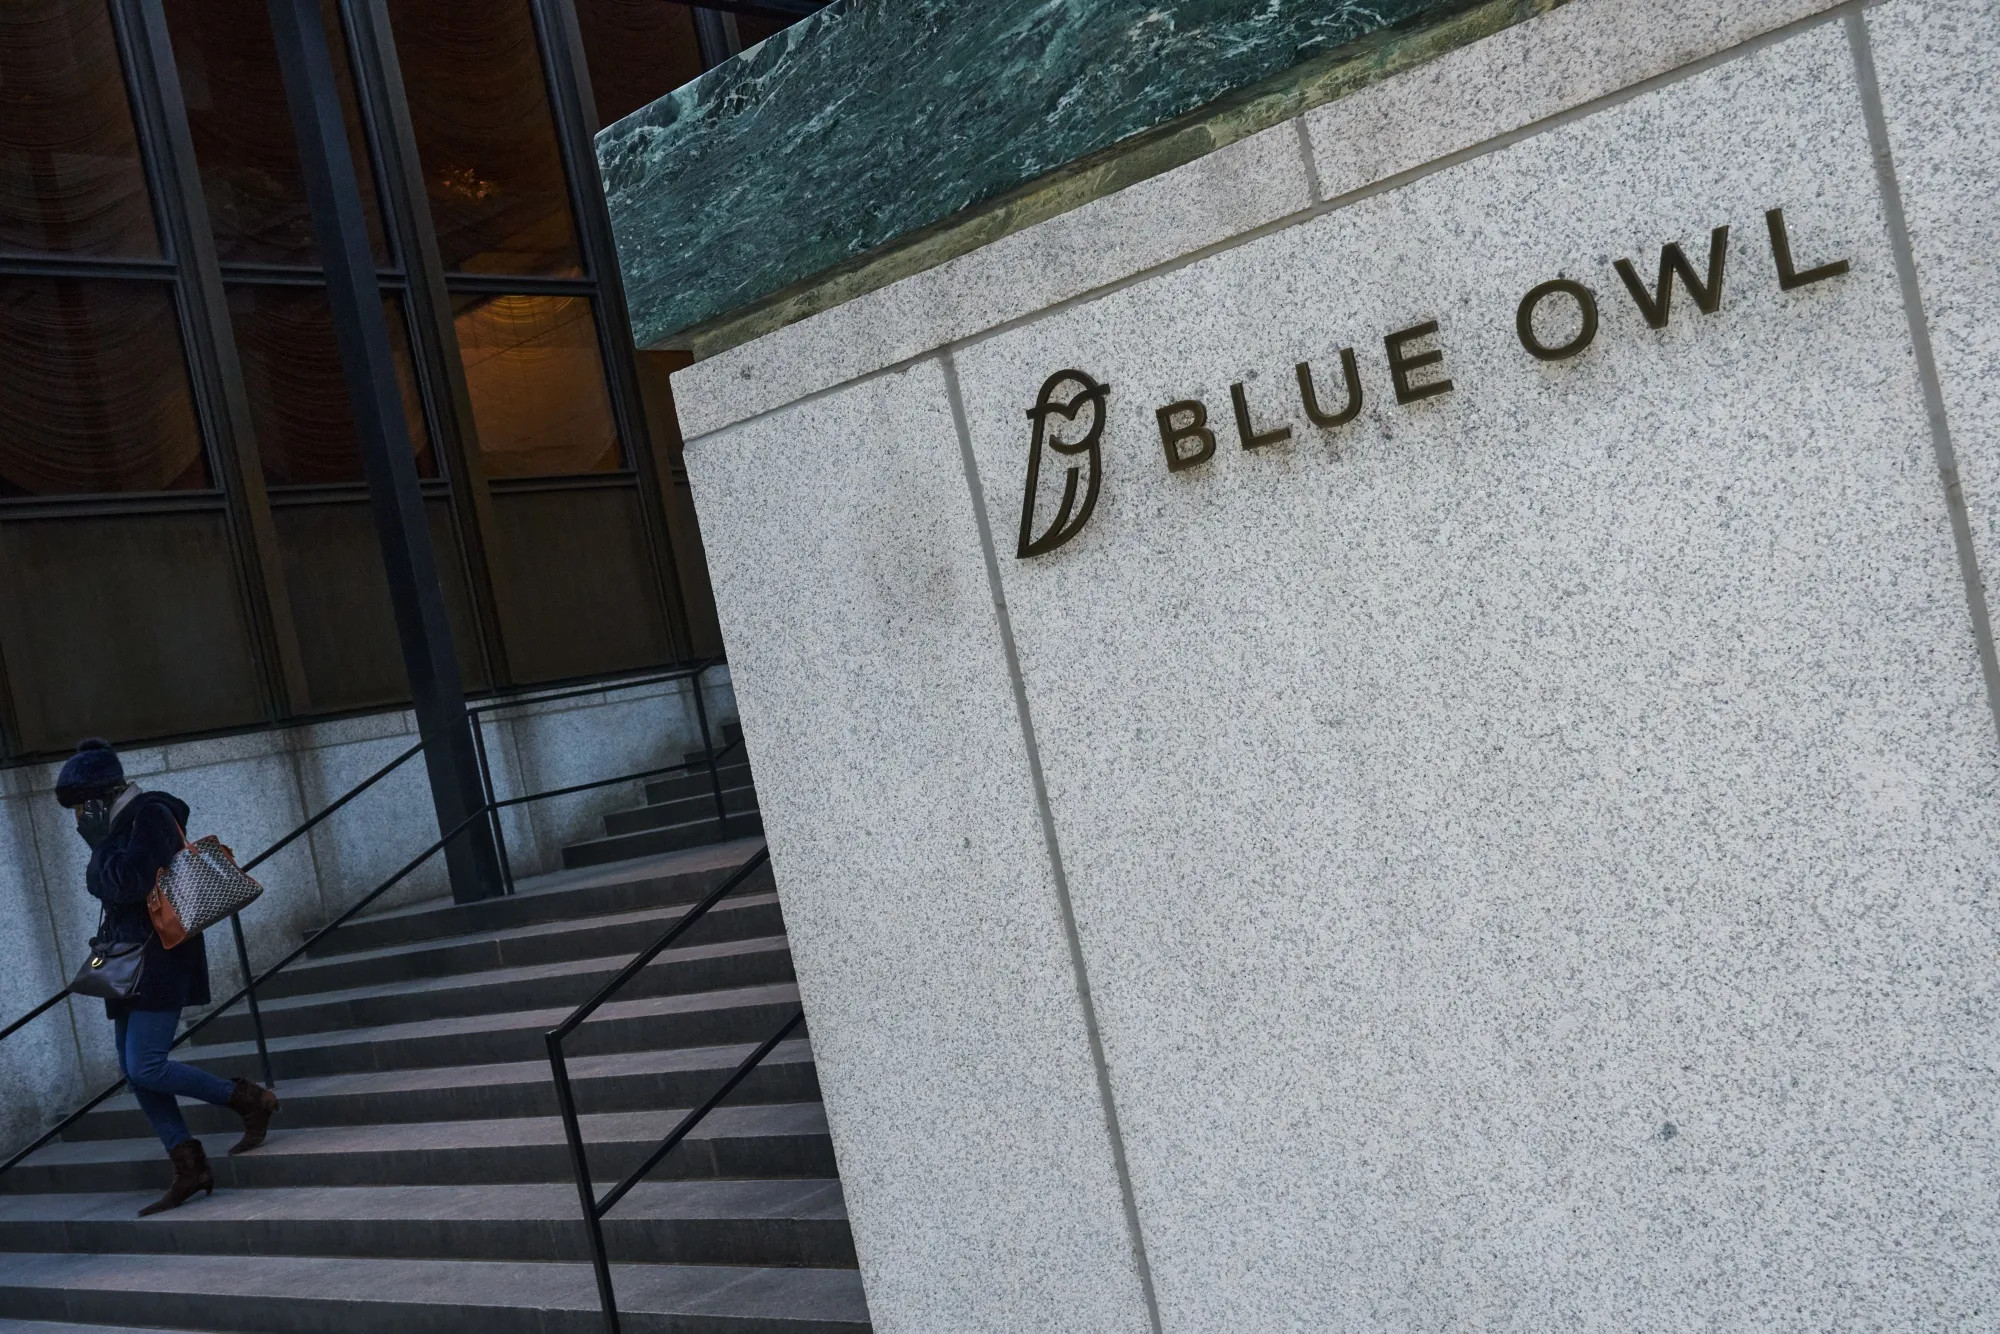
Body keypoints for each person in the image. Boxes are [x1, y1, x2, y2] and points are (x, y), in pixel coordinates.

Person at [56, 738, 280, 1217]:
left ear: (98, 796)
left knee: (147, 1064)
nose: (77, 815)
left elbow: (130, 883)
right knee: (134, 1071)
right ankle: (189, 1166)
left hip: (161, 956)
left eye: (80, 804)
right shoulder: (117, 825)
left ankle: (247, 1100)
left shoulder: (150, 814)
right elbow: (104, 887)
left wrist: (99, 850)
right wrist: (103, 856)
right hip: (122, 958)